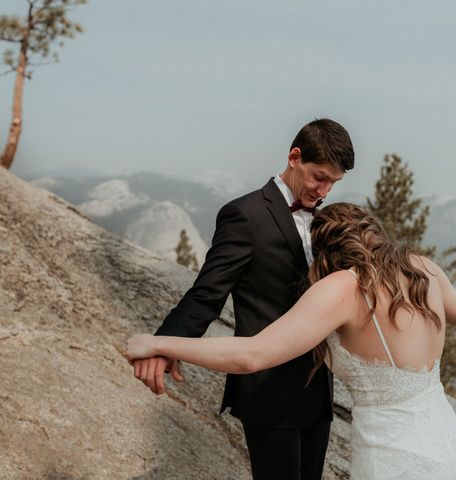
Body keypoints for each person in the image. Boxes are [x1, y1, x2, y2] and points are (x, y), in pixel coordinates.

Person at [128, 202, 456, 479]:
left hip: (394, 457)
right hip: (447, 444)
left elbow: (252, 354)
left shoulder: (345, 286)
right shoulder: (421, 267)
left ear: (326, 252)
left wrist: (159, 344)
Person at [131, 118, 355, 480]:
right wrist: (164, 346)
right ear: (294, 156)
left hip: (318, 392)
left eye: (334, 182)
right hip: (269, 392)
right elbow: (206, 295)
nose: (325, 191)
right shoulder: (244, 215)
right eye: (320, 177)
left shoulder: (324, 220)